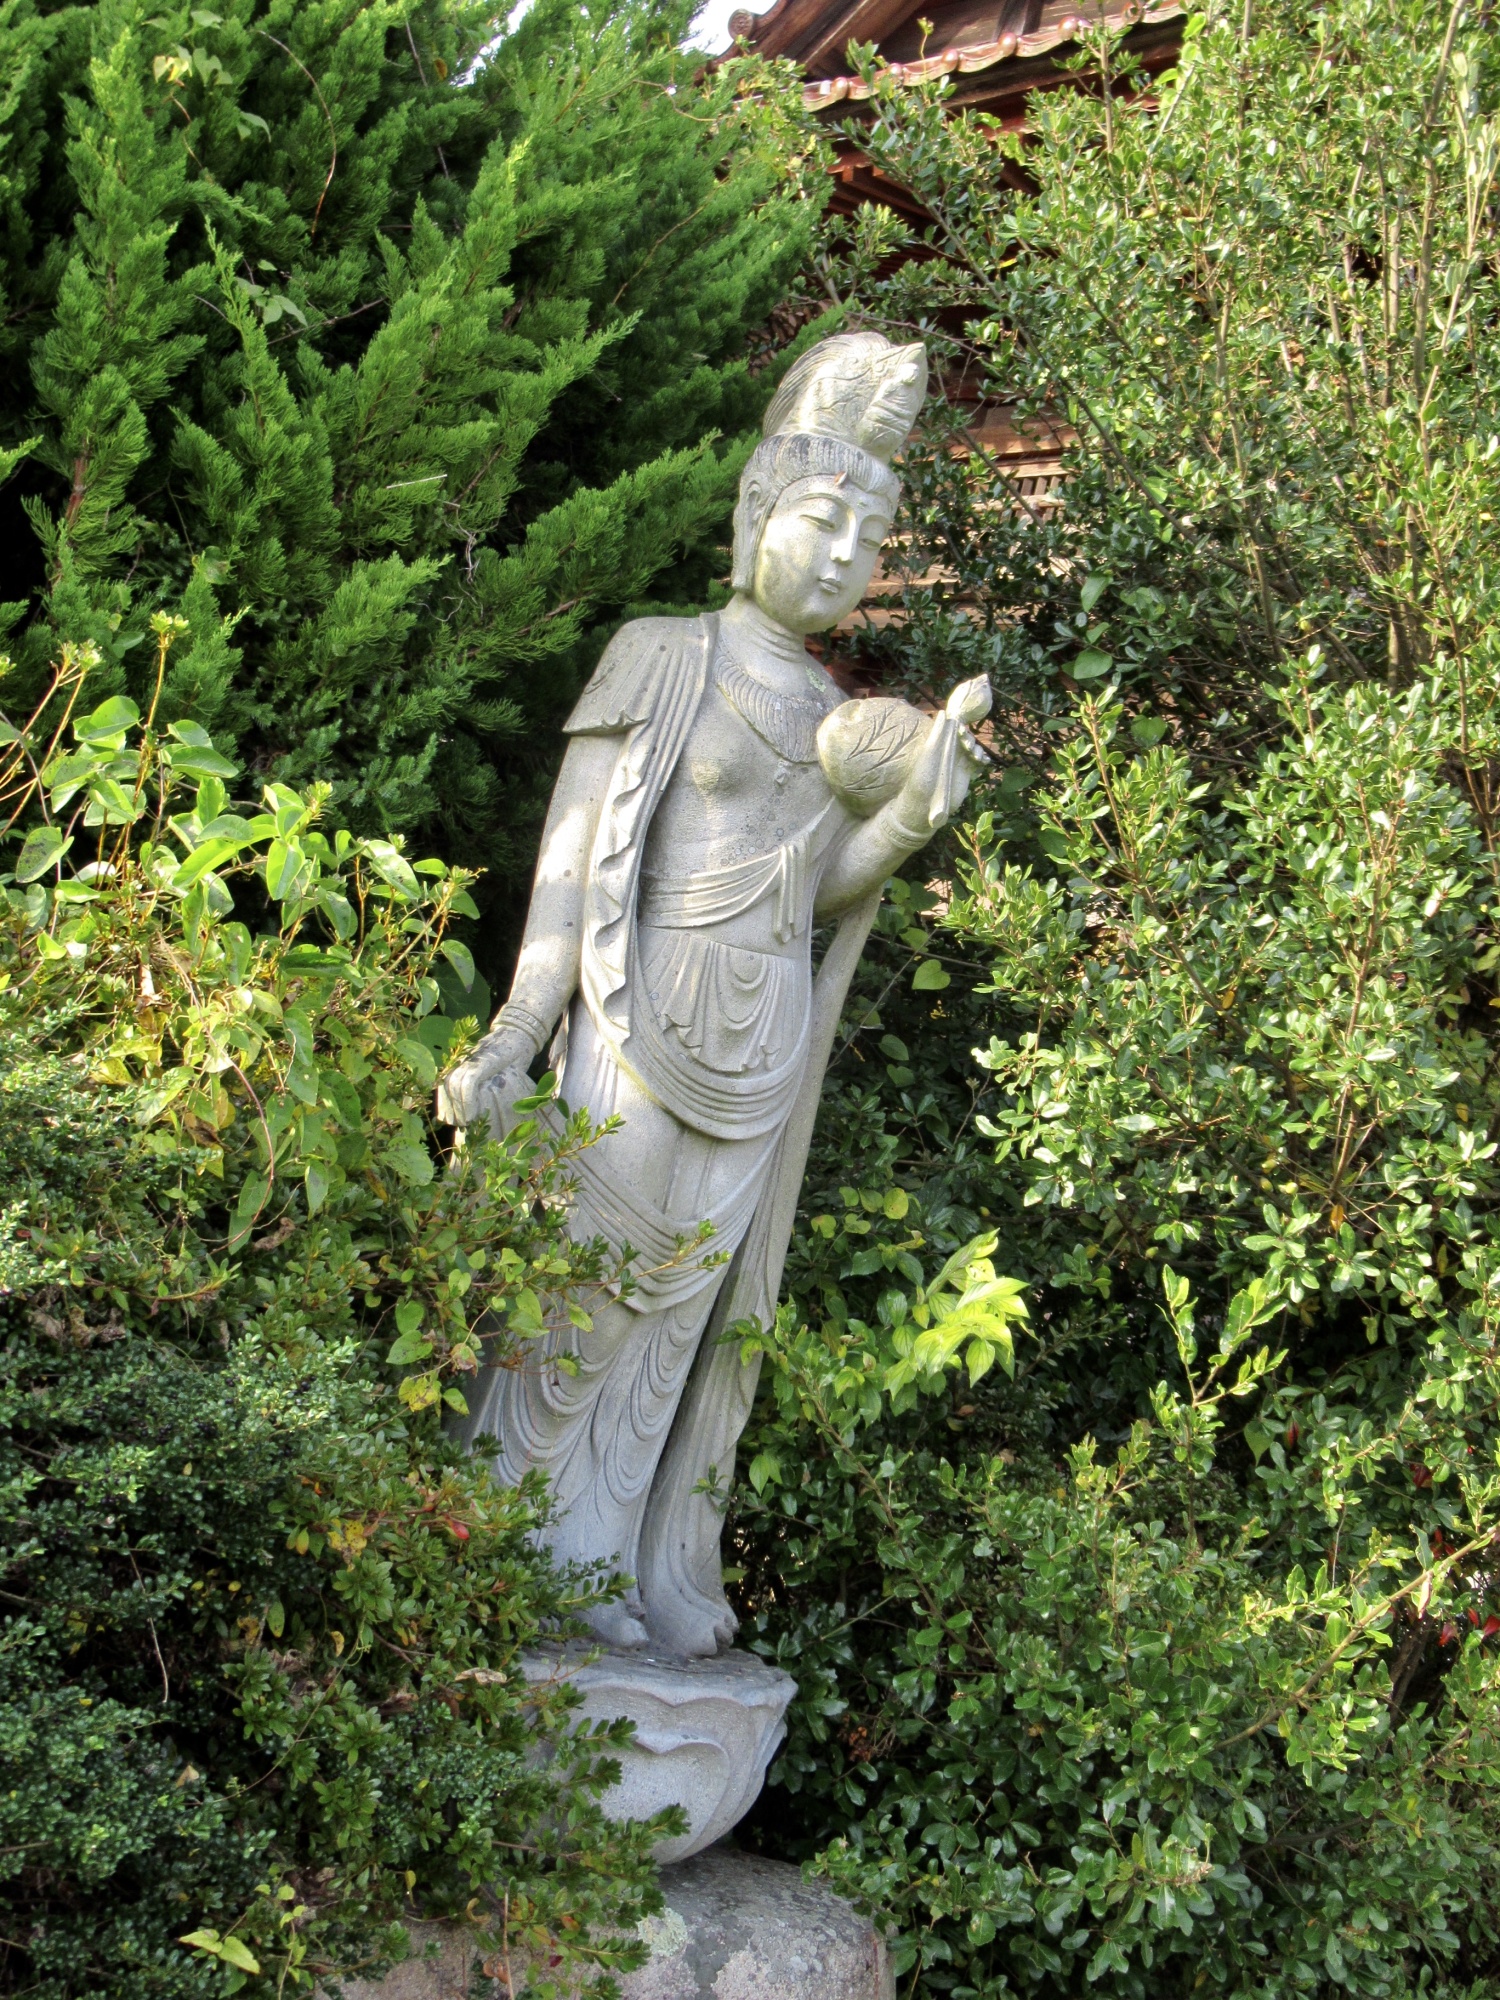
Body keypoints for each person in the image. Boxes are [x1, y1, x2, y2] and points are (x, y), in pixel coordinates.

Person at [437, 333, 989, 1655]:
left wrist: (913, 813)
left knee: (676, 1326)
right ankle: (495, 1556)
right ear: (753, 516)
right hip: (638, 1012)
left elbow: (818, 888)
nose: (844, 557)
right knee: (581, 1293)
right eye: (820, 522)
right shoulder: (660, 655)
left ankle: (604, 1564)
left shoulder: (831, 716)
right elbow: (570, 871)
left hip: (762, 1041)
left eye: (870, 539)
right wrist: (517, 1032)